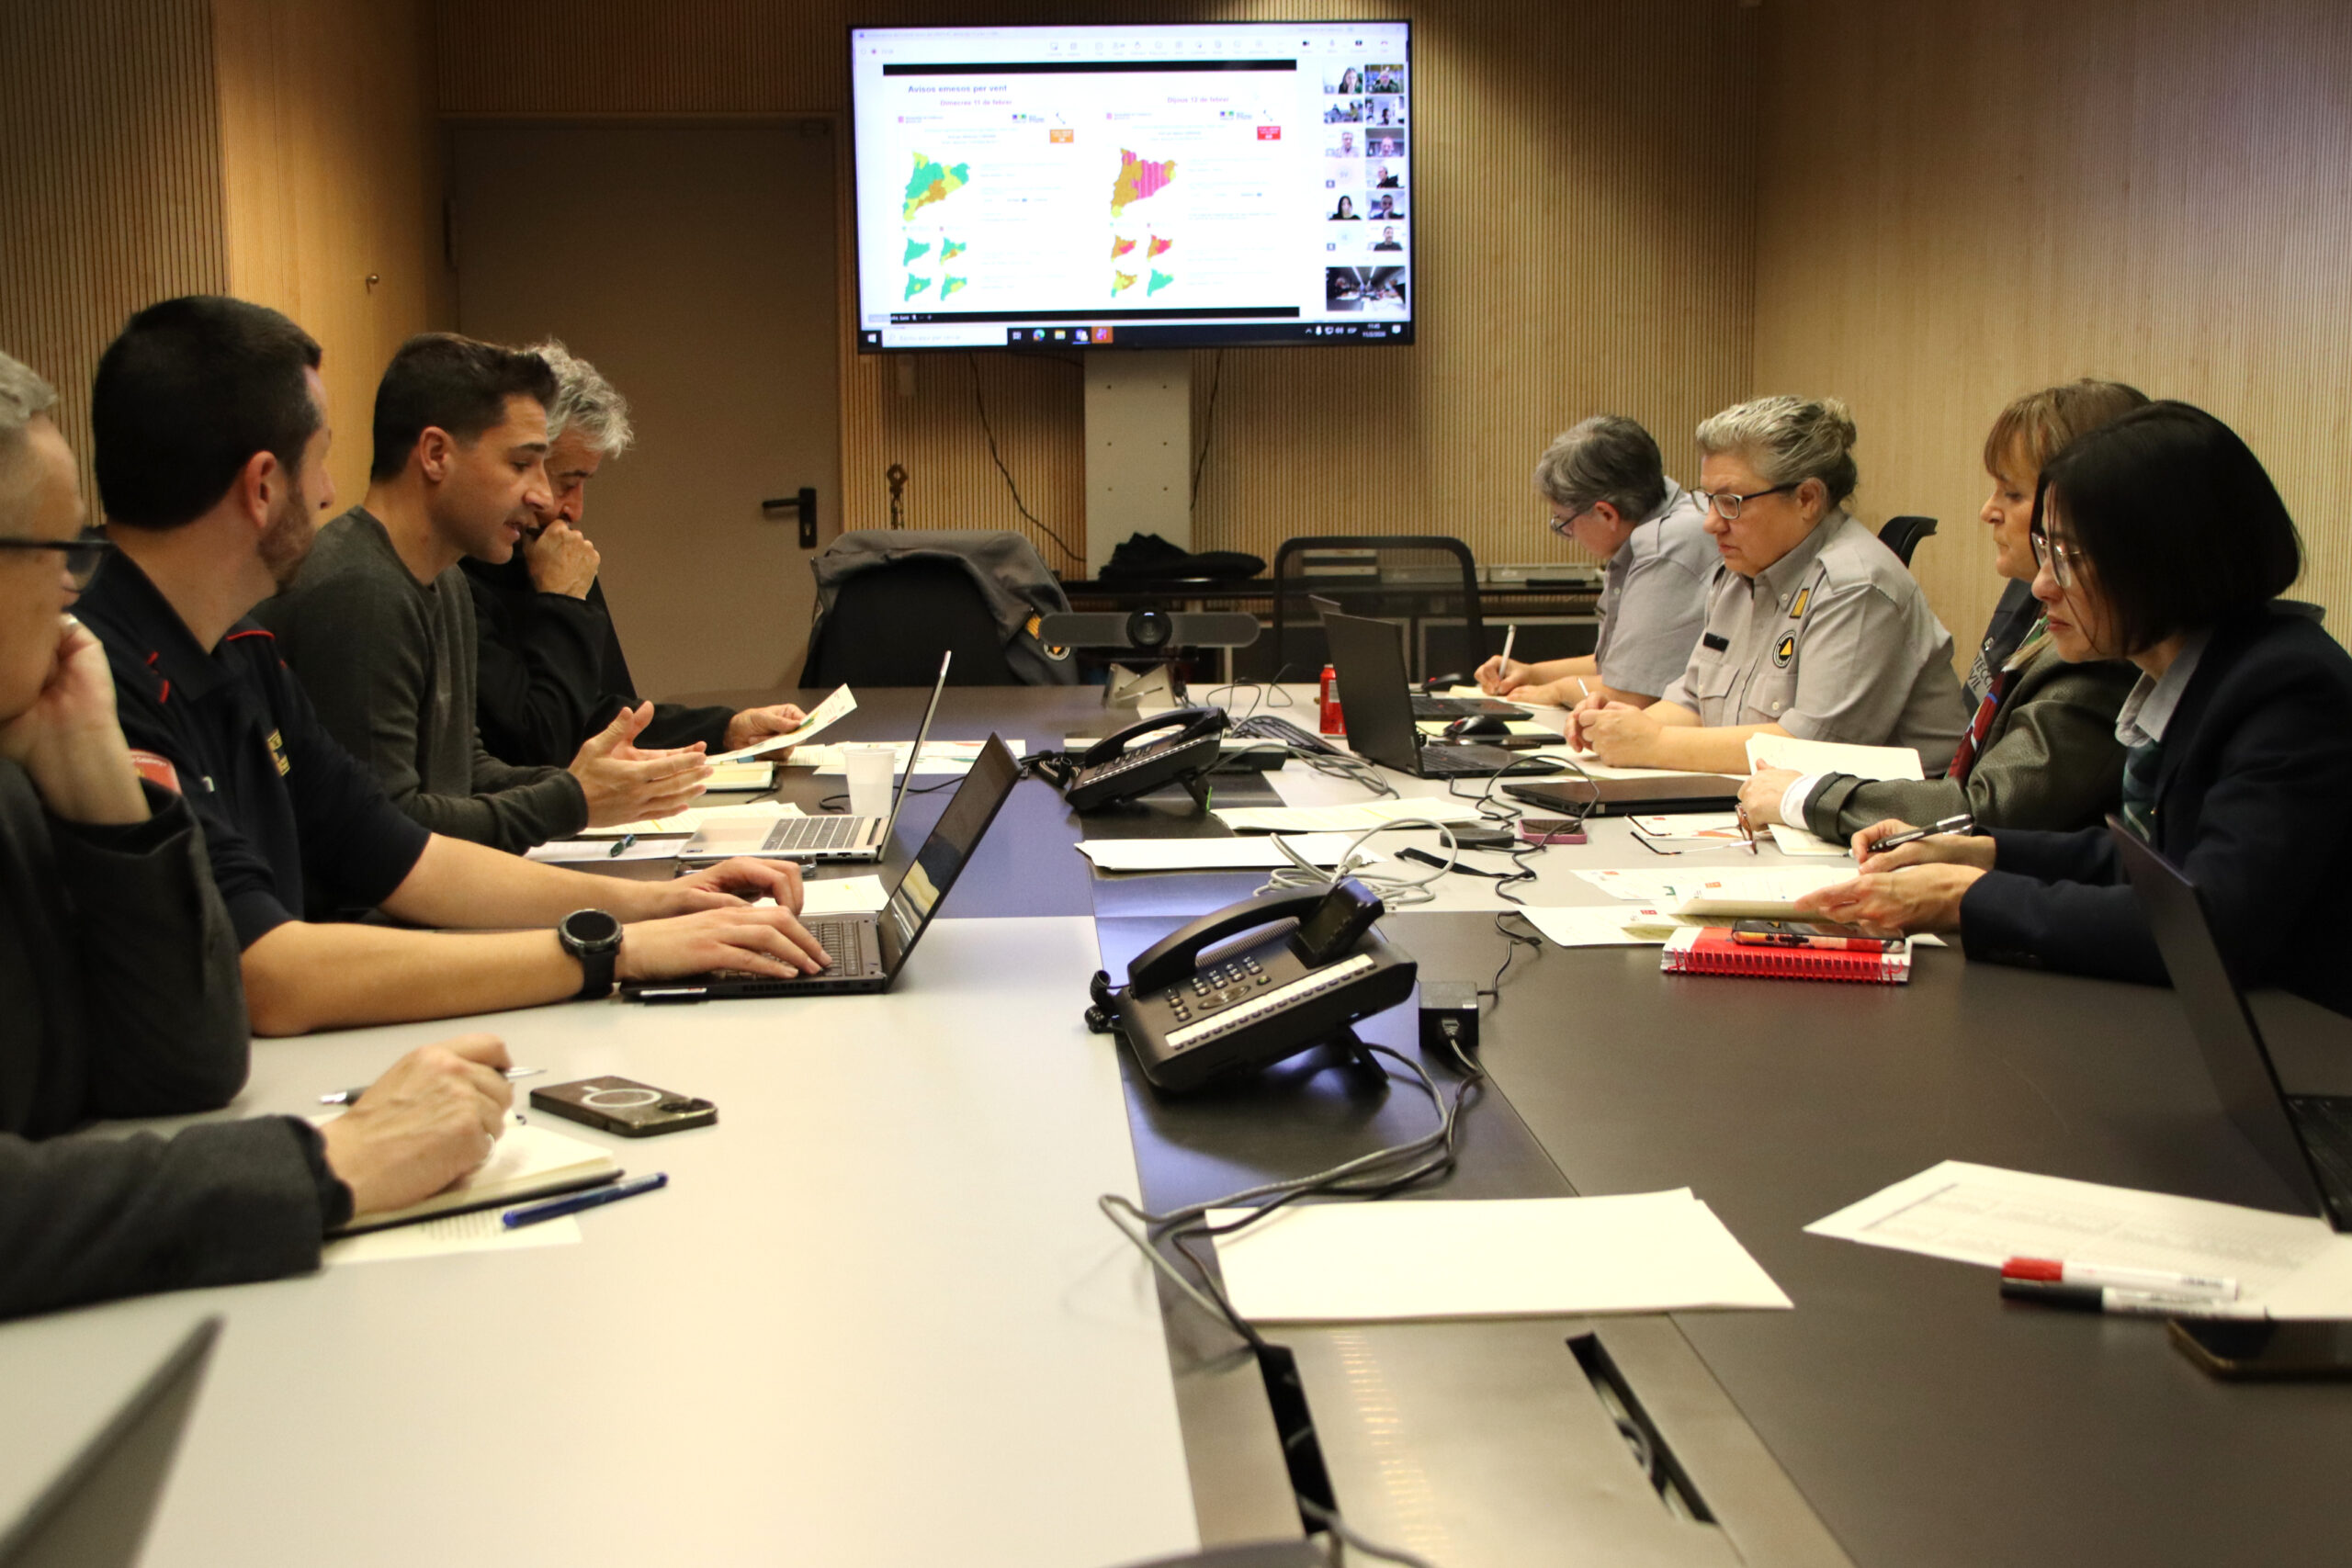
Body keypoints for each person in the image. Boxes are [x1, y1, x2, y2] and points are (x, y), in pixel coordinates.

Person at [76, 297, 831, 1038]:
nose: (329, 491)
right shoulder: (105, 678)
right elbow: (267, 974)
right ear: (264, 485)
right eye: (319, 460)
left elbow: (404, 854)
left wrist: (664, 904)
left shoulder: (239, 648)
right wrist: (613, 948)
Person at [0, 347, 518, 1320]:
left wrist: (103, 795)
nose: (75, 589)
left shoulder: (36, 750)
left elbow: (187, 1064)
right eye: (55, 550)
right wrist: (325, 1162)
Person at [1797, 401, 2352, 1016]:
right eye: (2047, 552)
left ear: (2166, 560)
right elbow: (2157, 862)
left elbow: (2208, 923)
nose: (2041, 585)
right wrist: (1978, 849)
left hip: (2304, 1036)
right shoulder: (2208, 671)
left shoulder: (2287, 689)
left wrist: (1964, 898)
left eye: (2070, 558)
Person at [256, 333, 705, 853]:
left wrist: (596, 784)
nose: (542, 495)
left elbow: (463, 771)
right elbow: (385, 834)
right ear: (436, 455)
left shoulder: (445, 580)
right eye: (520, 465)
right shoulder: (361, 590)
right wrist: (572, 800)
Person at [1741, 379, 2147, 838]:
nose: (1988, 511)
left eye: (2013, 494)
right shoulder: (2029, 596)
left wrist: (1809, 796)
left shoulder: (2097, 641)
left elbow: (1985, 811)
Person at [1566, 395, 1969, 775]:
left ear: (1807, 498)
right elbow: (1692, 702)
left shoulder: (1856, 587)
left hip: (1886, 819)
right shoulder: (1742, 572)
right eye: (1708, 499)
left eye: (1731, 502)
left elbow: (1810, 749)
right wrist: (1616, 726)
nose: (1711, 523)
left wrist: (1653, 744)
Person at [461, 344, 808, 767]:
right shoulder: (459, 580)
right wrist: (562, 604)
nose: (575, 509)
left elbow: (604, 717)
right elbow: (543, 747)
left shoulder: (551, 554)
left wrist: (726, 729)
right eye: (565, 482)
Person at [1476, 415, 1713, 708]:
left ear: (1606, 514)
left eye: (1565, 523)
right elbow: (1615, 666)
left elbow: (1632, 694)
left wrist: (1558, 690)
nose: (1569, 535)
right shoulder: (1647, 524)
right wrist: (1532, 674)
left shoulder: (1667, 545)